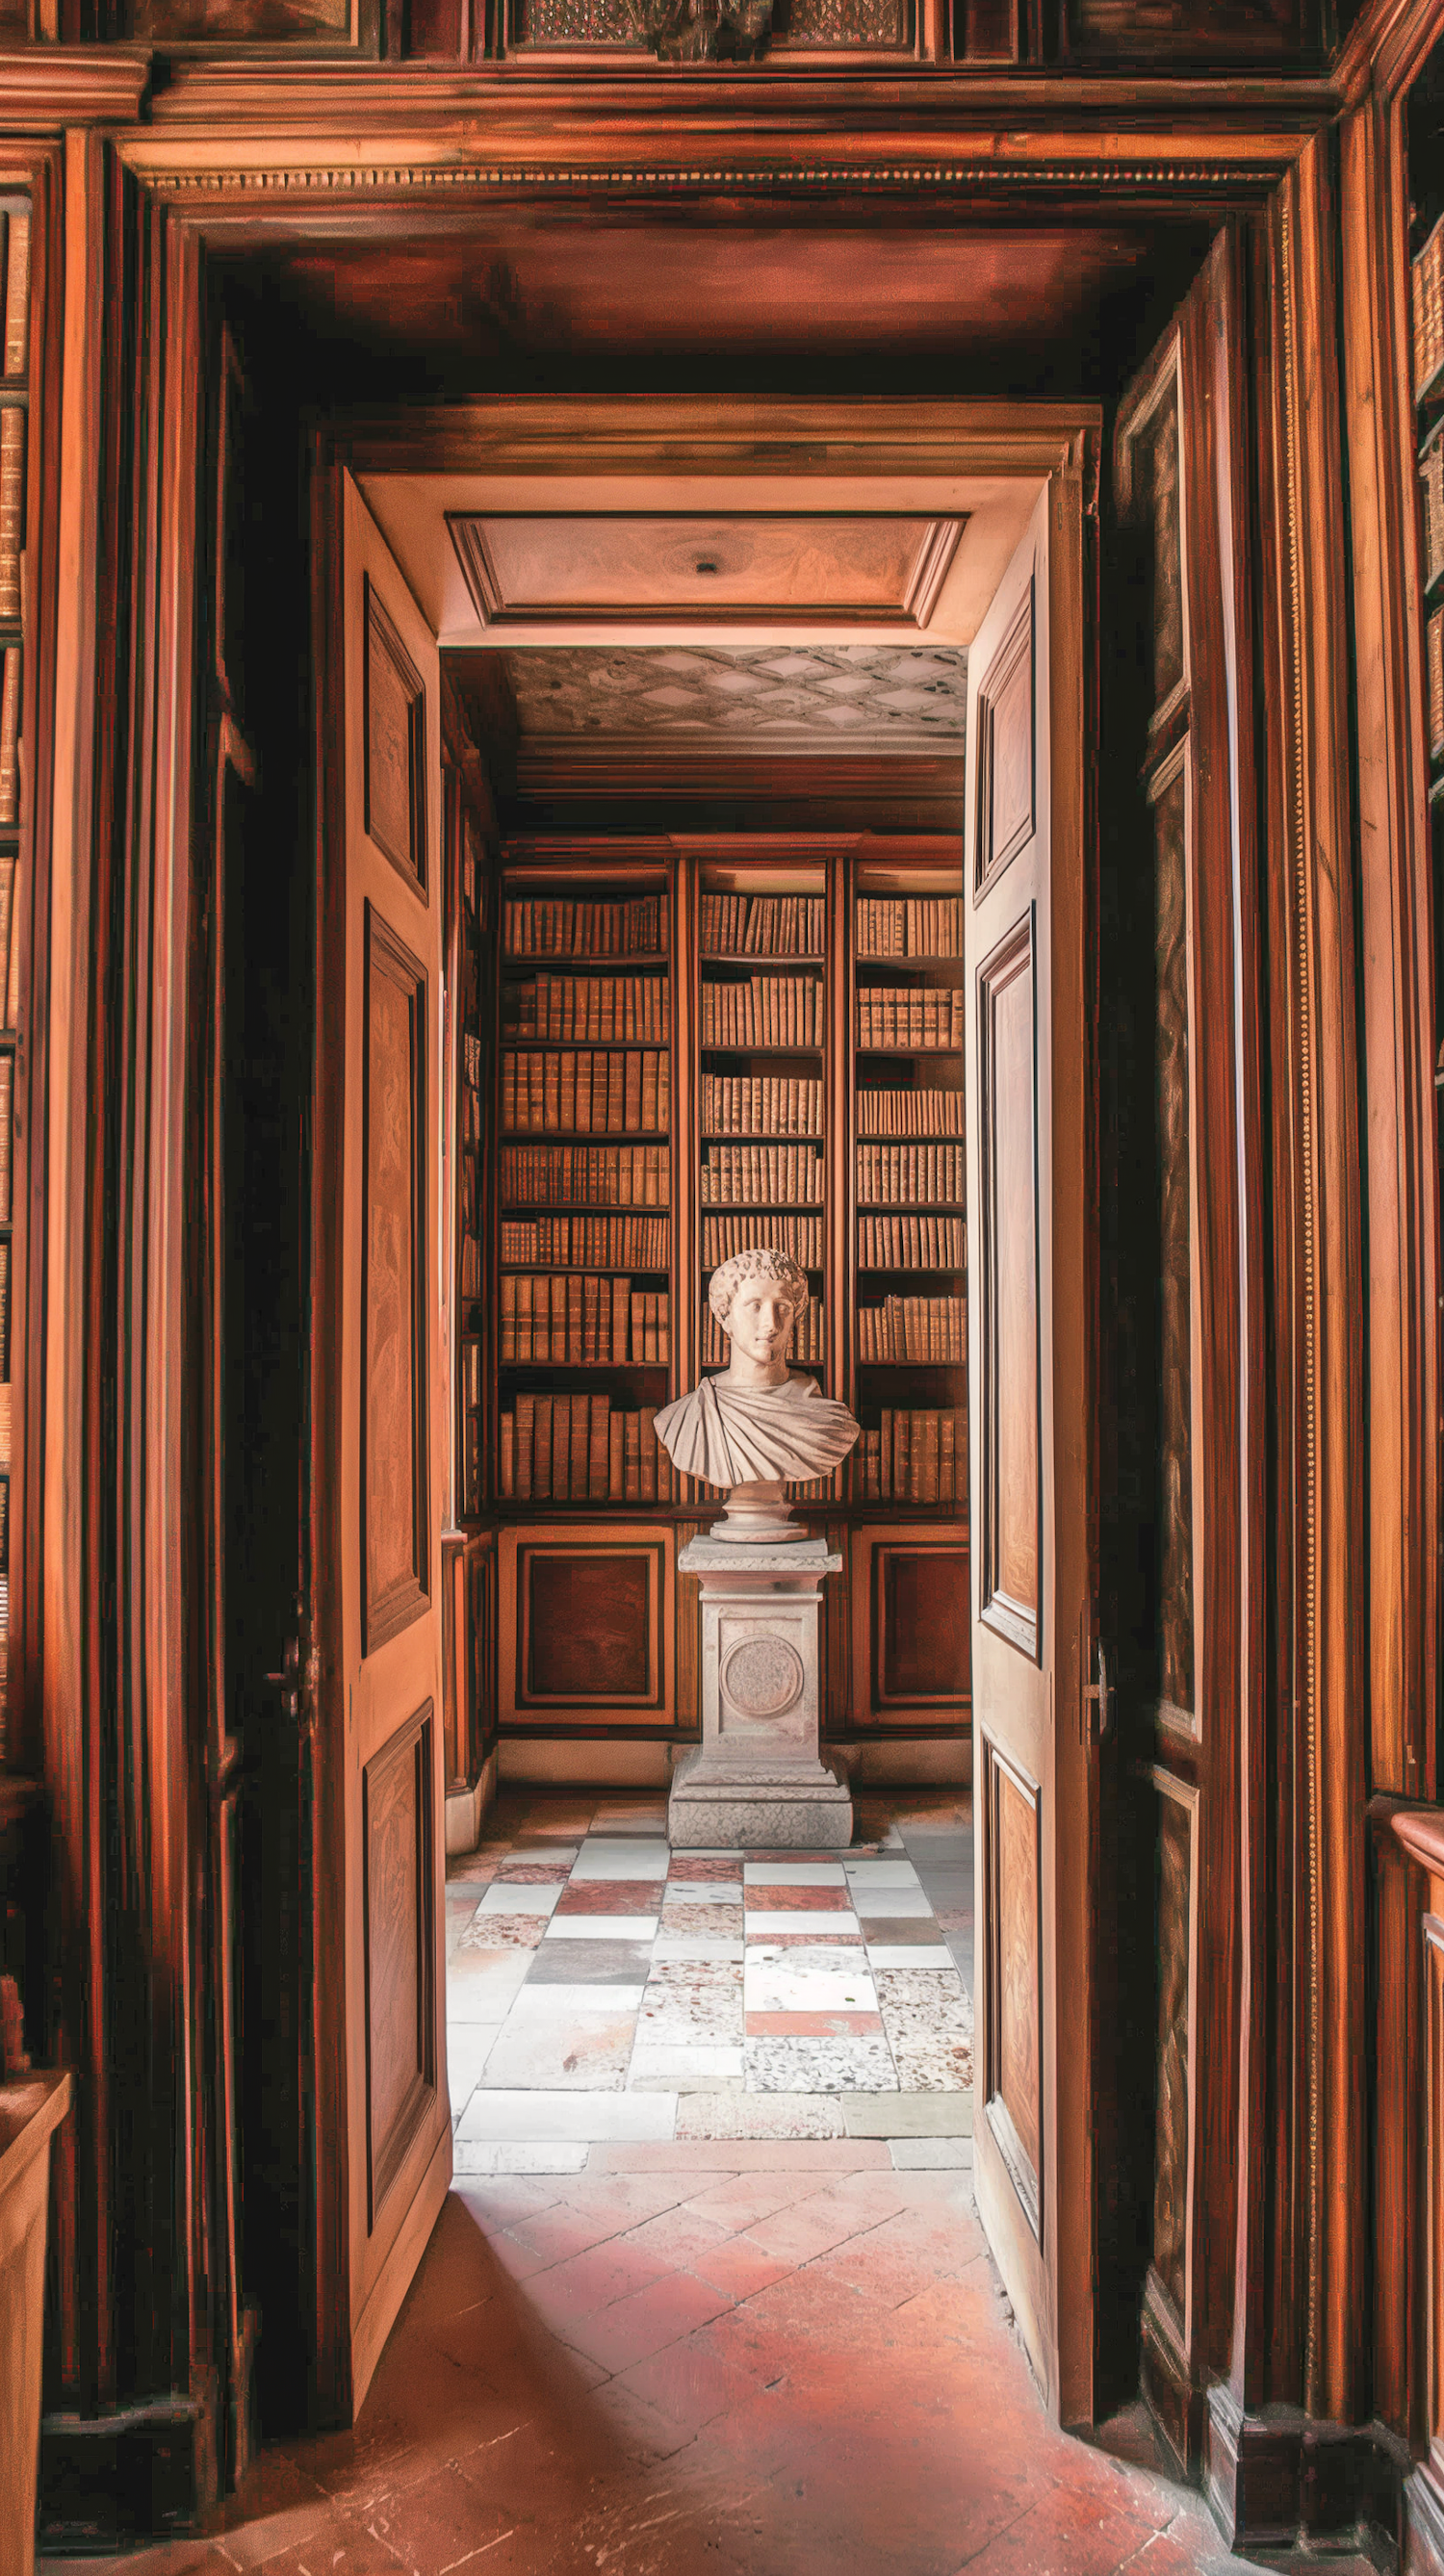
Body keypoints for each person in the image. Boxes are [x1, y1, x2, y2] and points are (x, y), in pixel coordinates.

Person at [654, 1247, 859, 1535]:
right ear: (725, 1317)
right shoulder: (686, 1417)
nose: (770, 1324)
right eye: (754, 1306)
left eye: (782, 1308)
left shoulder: (829, 1420)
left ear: (794, 1317)